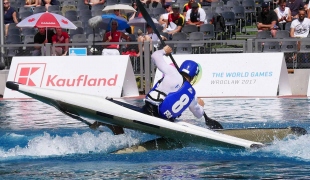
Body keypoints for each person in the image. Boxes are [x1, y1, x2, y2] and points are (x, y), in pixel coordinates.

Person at [142, 45, 205, 121]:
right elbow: (199, 114)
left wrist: (164, 51)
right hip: (166, 120)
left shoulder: (172, 72)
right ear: (193, 76)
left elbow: (155, 56)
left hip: (149, 110)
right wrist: (201, 106)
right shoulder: (192, 95)